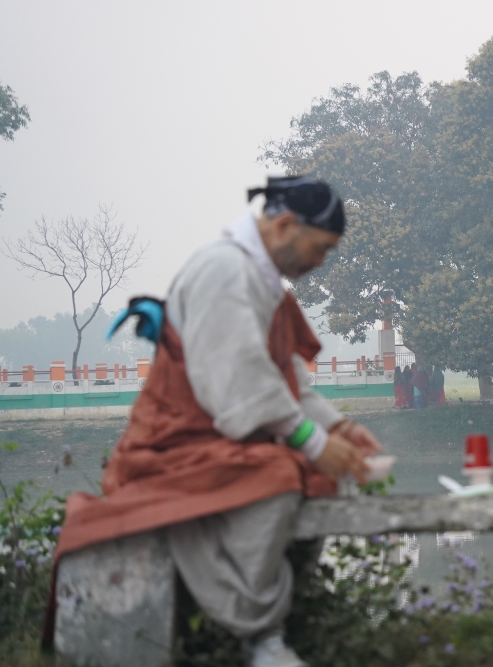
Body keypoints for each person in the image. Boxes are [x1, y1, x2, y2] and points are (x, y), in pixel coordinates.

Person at [48, 176, 383, 667]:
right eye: (321, 248)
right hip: (171, 445)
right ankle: (258, 632)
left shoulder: (261, 280)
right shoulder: (225, 271)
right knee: (277, 476)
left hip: (225, 433)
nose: (320, 262)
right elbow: (239, 381)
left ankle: (259, 624)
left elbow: (286, 380)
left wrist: (336, 429)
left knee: (316, 470)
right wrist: (310, 440)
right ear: (286, 225)